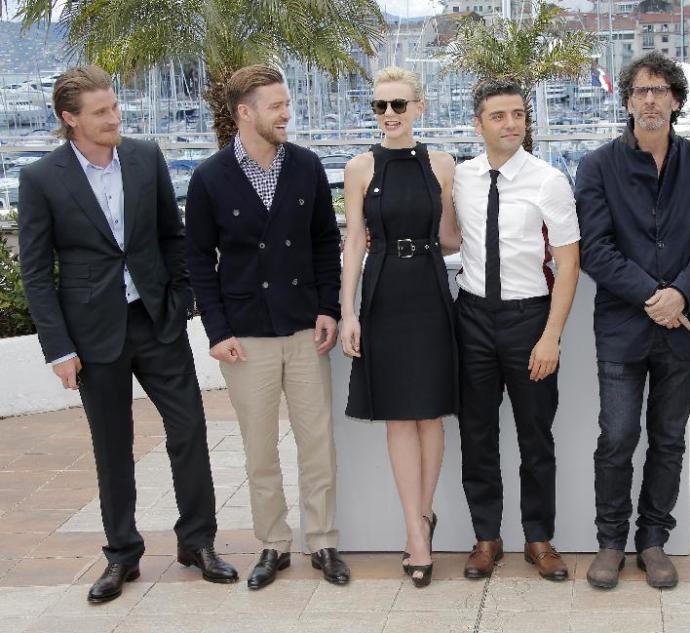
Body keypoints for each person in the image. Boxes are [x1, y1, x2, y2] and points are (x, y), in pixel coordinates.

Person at [18, 65, 237, 603]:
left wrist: (181, 298)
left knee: (188, 430)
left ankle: (198, 542)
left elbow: (173, 233)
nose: (115, 118)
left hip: (156, 320)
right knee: (112, 446)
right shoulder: (42, 178)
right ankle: (122, 555)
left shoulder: (145, 157)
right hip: (92, 334)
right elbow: (35, 271)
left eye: (115, 107)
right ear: (70, 119)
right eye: (100, 112)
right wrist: (59, 348)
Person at [185, 65, 349, 589]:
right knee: (259, 448)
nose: (286, 113)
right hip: (245, 335)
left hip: (305, 329)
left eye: (286, 103)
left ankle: (323, 542)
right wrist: (217, 331)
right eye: (275, 105)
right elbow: (197, 260)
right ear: (245, 113)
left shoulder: (306, 167)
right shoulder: (209, 177)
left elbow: (327, 242)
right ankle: (273, 545)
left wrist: (329, 308)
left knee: (317, 442)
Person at [574, 51, 690, 590]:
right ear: (627, 99)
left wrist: (680, 295)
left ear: (677, 101)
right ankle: (611, 542)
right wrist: (652, 296)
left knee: (669, 438)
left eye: (661, 90)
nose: (650, 99)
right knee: (616, 437)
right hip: (622, 328)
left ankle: (653, 540)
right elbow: (595, 248)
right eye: (641, 90)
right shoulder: (597, 166)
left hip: (683, 330)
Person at [454, 78, 581, 582]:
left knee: (536, 436)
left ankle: (538, 538)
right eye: (499, 116)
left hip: (529, 319)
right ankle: (486, 538)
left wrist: (550, 336)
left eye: (518, 115)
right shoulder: (462, 177)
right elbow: (449, 234)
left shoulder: (549, 180)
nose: (511, 124)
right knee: (477, 434)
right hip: (472, 318)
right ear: (478, 124)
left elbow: (568, 265)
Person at [340, 66, 460, 589]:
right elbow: (354, 245)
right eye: (380, 106)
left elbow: (452, 236)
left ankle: (422, 520)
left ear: (419, 108)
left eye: (398, 105)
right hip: (384, 295)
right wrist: (348, 312)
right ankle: (416, 532)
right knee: (397, 418)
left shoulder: (443, 163)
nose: (389, 114)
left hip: (431, 293)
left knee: (430, 415)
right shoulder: (359, 167)